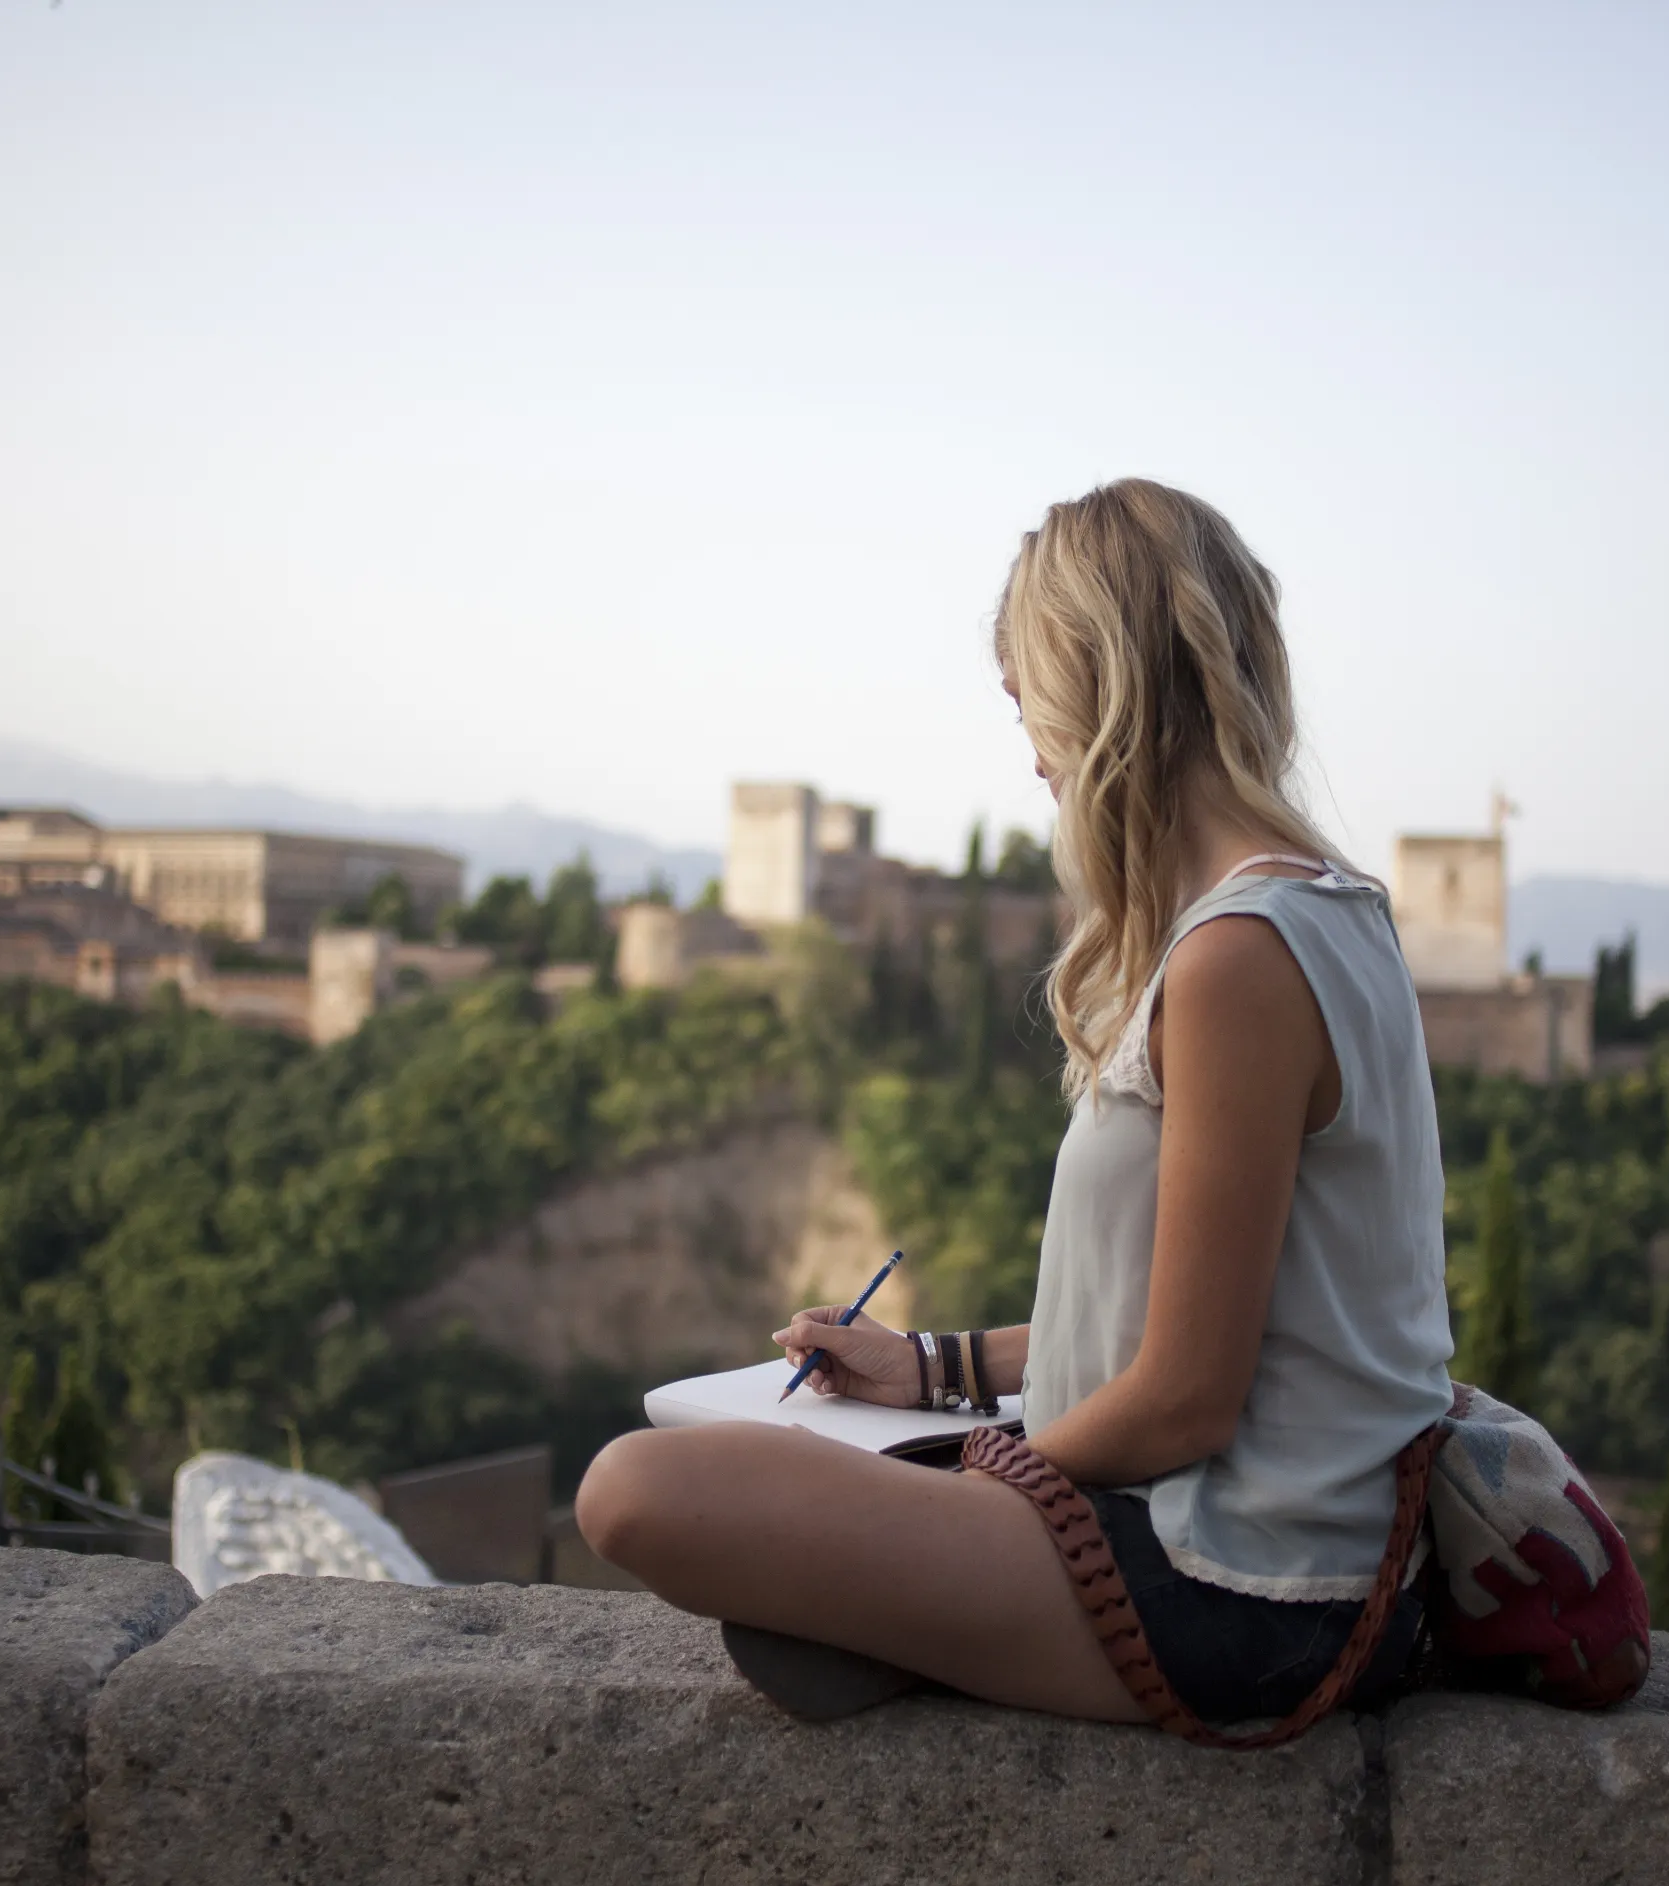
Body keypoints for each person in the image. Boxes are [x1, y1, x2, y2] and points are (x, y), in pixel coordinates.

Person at [575, 478, 1457, 1732]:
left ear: (1100, 683)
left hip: (1245, 1583)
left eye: (1026, 698)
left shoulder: (1238, 956)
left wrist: (984, 1481)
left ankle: (933, 1621)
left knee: (634, 1488)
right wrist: (935, 1370)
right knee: (761, 1492)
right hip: (1257, 1540)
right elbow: (1202, 1323)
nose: (1033, 750)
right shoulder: (1328, 912)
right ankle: (936, 1624)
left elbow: (1187, 1395)